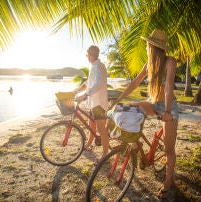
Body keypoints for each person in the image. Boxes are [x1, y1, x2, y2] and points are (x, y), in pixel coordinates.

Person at [110, 29, 179, 200]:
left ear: (152, 46)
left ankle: (168, 185)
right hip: (152, 102)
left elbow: (169, 87)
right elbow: (135, 83)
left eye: (148, 45)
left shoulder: (170, 61)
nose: (147, 47)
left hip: (168, 107)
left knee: (169, 149)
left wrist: (168, 111)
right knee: (127, 110)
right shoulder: (149, 64)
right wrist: (118, 99)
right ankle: (136, 148)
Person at [74, 45, 109, 164]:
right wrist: (77, 91)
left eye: (88, 55)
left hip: (99, 103)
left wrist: (86, 94)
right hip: (93, 103)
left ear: (92, 54)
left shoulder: (99, 66)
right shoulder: (93, 66)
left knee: (101, 129)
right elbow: (89, 82)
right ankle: (88, 144)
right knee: (92, 126)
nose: (87, 57)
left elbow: (99, 83)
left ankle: (105, 154)